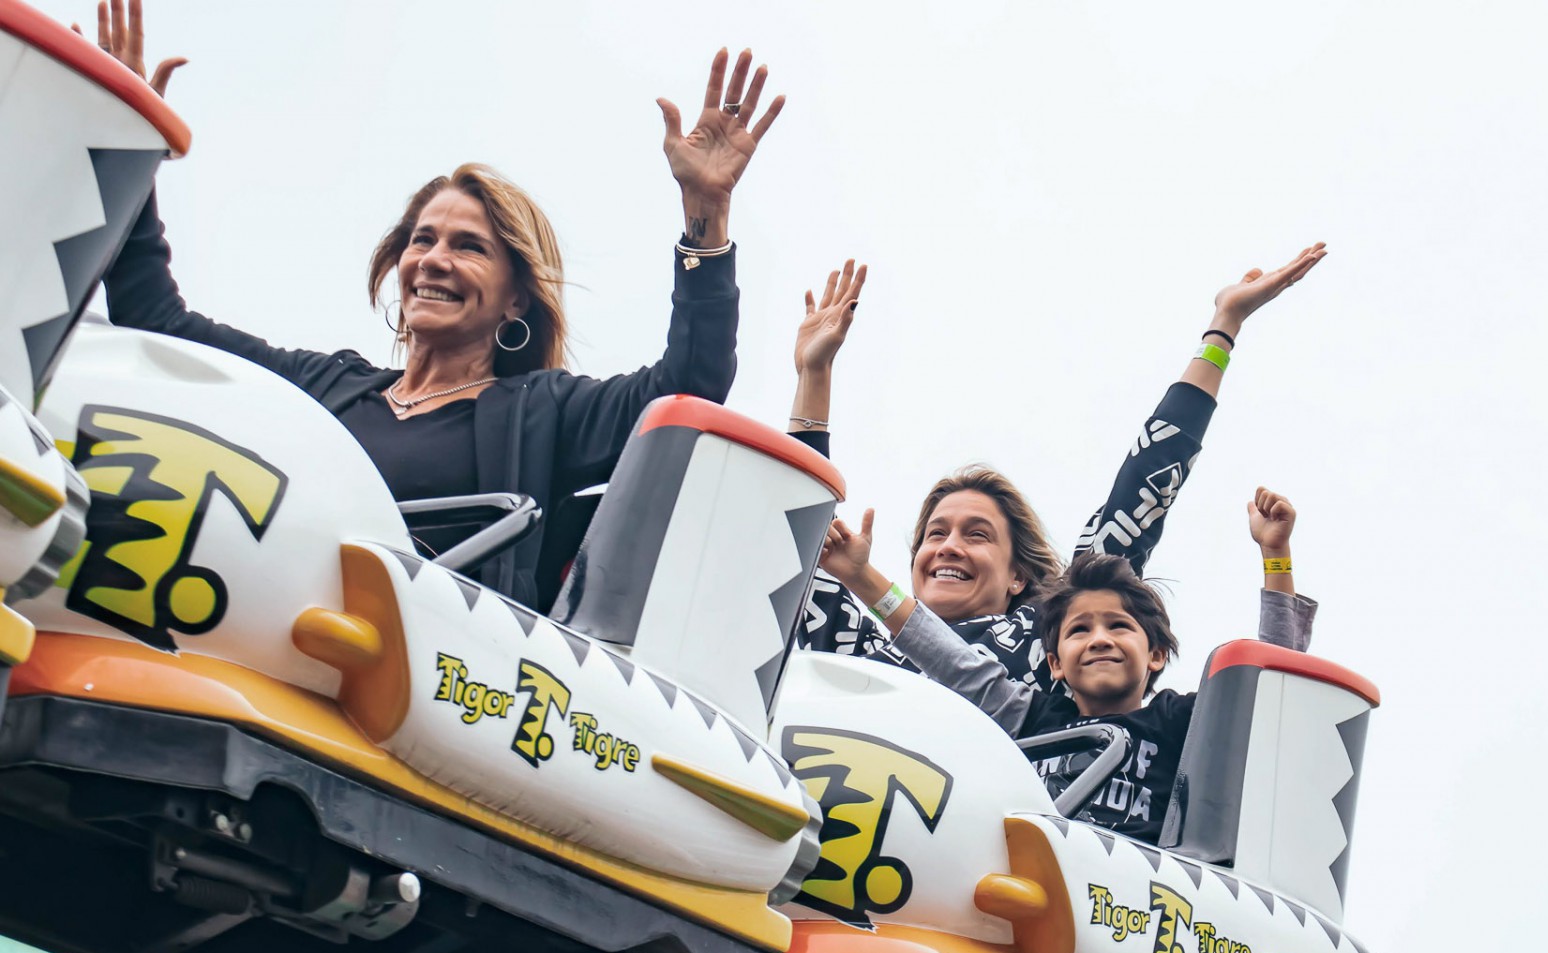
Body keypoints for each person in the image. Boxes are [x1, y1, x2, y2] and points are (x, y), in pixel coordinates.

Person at [88, 0, 784, 607]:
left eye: (469, 246)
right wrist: (125, 143)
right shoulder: (326, 385)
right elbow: (156, 320)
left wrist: (706, 215)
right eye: (422, 239)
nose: (434, 259)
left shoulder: (543, 414)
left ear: (516, 300)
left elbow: (688, 387)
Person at [786, 246, 1327, 694]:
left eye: (977, 536)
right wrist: (815, 373)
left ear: (1019, 576)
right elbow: (798, 547)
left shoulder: (1049, 637)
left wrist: (1223, 327)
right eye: (935, 535)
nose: (948, 546)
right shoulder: (856, 638)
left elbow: (1145, 483)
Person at [819, 487, 1311, 841]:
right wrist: (862, 578)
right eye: (1079, 630)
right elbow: (950, 660)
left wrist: (1276, 556)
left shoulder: (1181, 722)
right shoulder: (1034, 717)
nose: (1099, 640)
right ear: (1054, 663)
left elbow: (1268, 694)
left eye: (1118, 627)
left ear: (1156, 654)